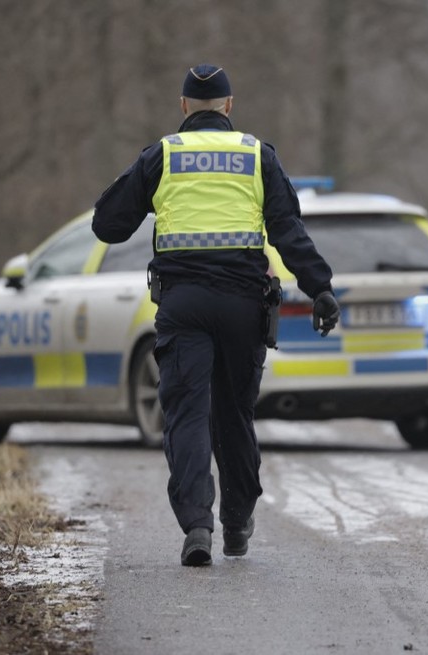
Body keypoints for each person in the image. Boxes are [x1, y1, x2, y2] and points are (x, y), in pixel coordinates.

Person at [92, 64, 339, 566]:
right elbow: (289, 231)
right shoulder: (256, 155)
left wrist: (140, 189)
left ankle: (197, 526)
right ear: (229, 106)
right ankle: (237, 524)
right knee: (235, 415)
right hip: (242, 305)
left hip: (183, 305)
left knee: (186, 414)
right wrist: (321, 289)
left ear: (184, 106)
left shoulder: (162, 155)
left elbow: (107, 226)